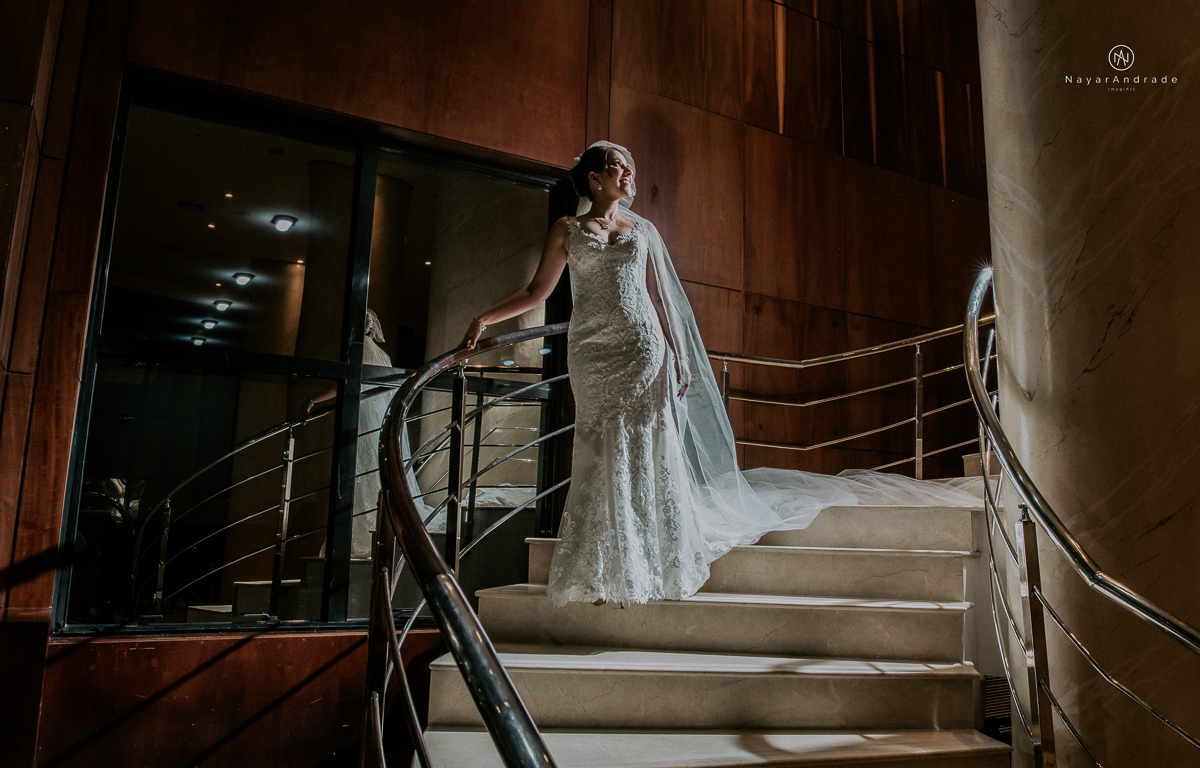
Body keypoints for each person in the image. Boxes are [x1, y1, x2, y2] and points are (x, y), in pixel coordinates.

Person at [459, 141, 981, 606]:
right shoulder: (568, 230)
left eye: (631, 168)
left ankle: (651, 563)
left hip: (645, 351)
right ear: (594, 177)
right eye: (619, 167)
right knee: (601, 451)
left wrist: (680, 357)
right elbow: (537, 293)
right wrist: (483, 318)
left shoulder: (643, 230)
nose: (629, 176)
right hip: (593, 355)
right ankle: (604, 568)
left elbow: (662, 300)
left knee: (647, 450)